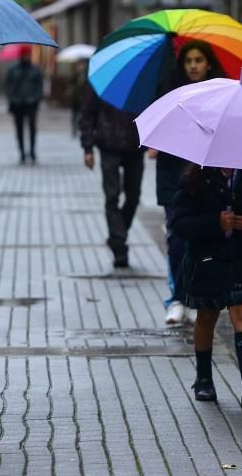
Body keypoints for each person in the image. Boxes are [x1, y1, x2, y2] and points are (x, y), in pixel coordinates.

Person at [171, 165, 242, 410]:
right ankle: (203, 378)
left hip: (241, 259)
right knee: (207, 316)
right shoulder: (195, 180)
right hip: (206, 261)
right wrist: (215, 222)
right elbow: (179, 223)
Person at [150, 41, 226, 325]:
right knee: (177, 239)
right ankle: (178, 298)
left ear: (208, 64)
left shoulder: (219, 95)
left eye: (199, 60)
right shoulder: (171, 94)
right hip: (173, 178)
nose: (194, 65)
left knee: (203, 240)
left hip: (206, 179)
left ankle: (197, 297)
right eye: (189, 61)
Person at [78, 85, 143, 269]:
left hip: (135, 146)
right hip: (108, 144)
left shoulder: (143, 77)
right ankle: (119, 246)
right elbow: (87, 113)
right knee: (112, 196)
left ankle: (117, 236)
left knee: (134, 197)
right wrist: (88, 148)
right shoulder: (103, 79)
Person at [3, 45, 43, 163]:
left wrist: (35, 98)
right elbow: (7, 85)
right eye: (25, 54)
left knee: (32, 128)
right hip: (17, 104)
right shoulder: (13, 69)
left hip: (31, 104)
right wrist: (13, 98)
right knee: (19, 129)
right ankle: (22, 152)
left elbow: (39, 86)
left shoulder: (35, 69)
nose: (26, 56)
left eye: (28, 54)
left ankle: (32, 151)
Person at [66, 59, 89, 137]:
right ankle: (74, 129)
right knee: (74, 114)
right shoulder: (75, 73)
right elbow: (70, 82)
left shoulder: (87, 74)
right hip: (75, 98)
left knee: (82, 115)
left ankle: (80, 128)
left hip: (83, 98)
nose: (81, 66)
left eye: (83, 64)